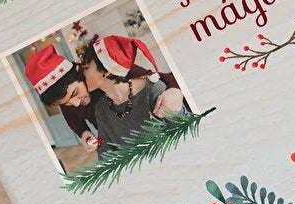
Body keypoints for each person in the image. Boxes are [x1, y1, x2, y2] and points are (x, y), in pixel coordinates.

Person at [24, 35, 184, 160]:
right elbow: (72, 118)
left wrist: (175, 90)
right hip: (116, 142)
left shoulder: (107, 69)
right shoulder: (79, 102)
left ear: (80, 71)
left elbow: (156, 78)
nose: (75, 103)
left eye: (74, 93)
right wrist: (83, 132)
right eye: (66, 103)